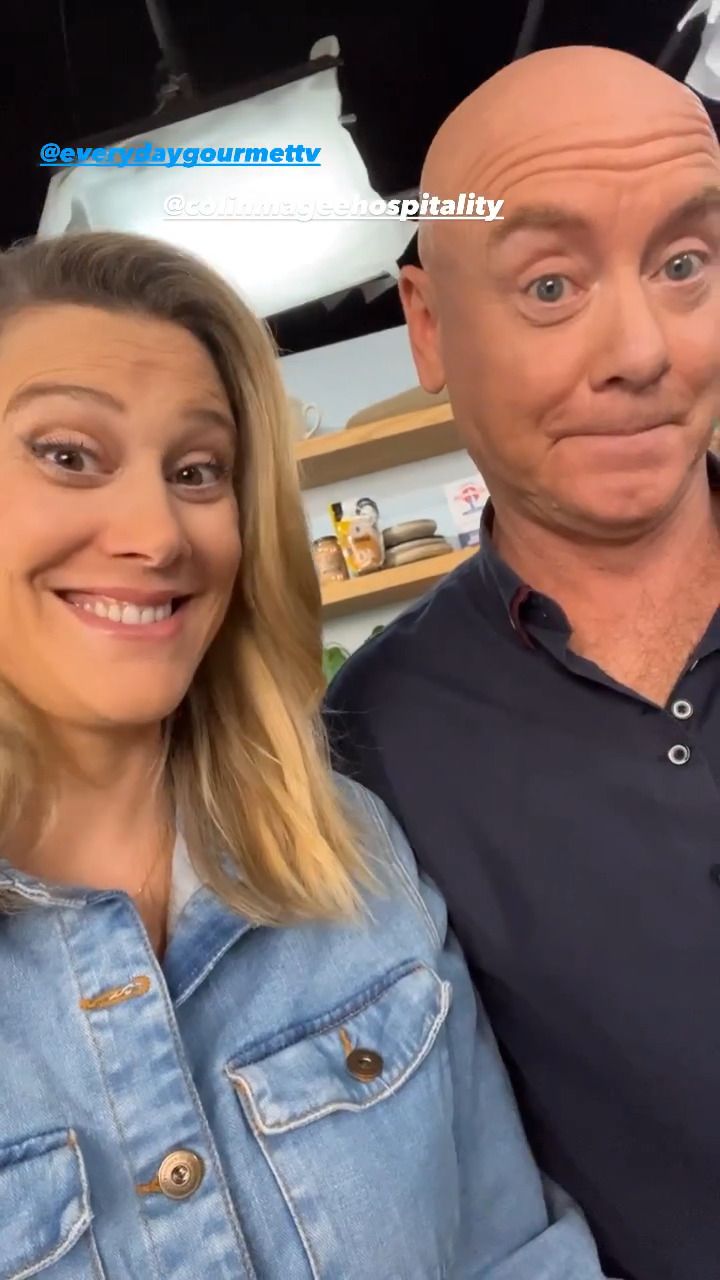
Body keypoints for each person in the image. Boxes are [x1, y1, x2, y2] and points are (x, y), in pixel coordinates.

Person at [0, 229, 613, 1279]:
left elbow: (513, 1251)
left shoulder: (348, 845)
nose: (158, 531)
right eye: (67, 455)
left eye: (198, 470)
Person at [324, 44, 720, 1280]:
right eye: (550, 285)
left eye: (685, 263)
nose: (640, 349)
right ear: (428, 326)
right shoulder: (370, 747)